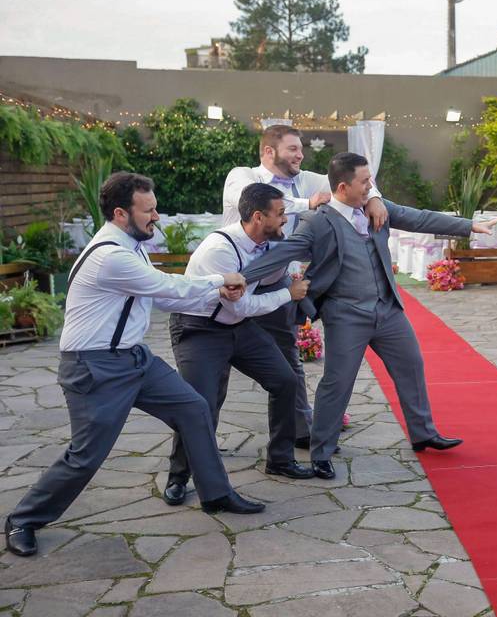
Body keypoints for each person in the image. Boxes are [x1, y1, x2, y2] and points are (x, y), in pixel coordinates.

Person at [4, 172, 264, 558]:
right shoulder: (111, 256)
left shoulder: (131, 244)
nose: (156, 216)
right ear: (122, 213)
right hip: (94, 367)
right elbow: (165, 287)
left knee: (194, 408)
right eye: (150, 210)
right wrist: (219, 279)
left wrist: (217, 294)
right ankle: (22, 520)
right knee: (85, 456)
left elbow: (165, 296)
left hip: (133, 358)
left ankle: (216, 494)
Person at [241, 152, 497, 479]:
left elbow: (418, 218)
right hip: (346, 314)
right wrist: (236, 279)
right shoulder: (318, 222)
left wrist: (470, 226)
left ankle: (423, 433)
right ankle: (321, 452)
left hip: (387, 309)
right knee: (337, 383)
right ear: (342, 186)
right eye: (365, 182)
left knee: (411, 365)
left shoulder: (374, 206)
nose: (371, 187)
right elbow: (285, 252)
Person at [223, 125, 388, 449]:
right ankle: (197, 444)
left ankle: (299, 431)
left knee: (289, 365)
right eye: (292, 149)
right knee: (215, 375)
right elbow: (249, 199)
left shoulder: (308, 179)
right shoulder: (242, 174)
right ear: (269, 152)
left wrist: (375, 199)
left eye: (300, 149)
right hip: (232, 283)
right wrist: (306, 203)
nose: (300, 155)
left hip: (276, 283)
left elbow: (355, 182)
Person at [162, 184, 316, 506]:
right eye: (280, 214)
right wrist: (290, 295)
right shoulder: (221, 249)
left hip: (237, 328)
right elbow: (242, 306)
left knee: (286, 381)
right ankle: (178, 476)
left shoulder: (270, 243)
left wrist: (292, 276)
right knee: (200, 403)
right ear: (258, 217)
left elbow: (279, 273)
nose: (285, 220)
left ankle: (280, 459)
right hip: (198, 329)